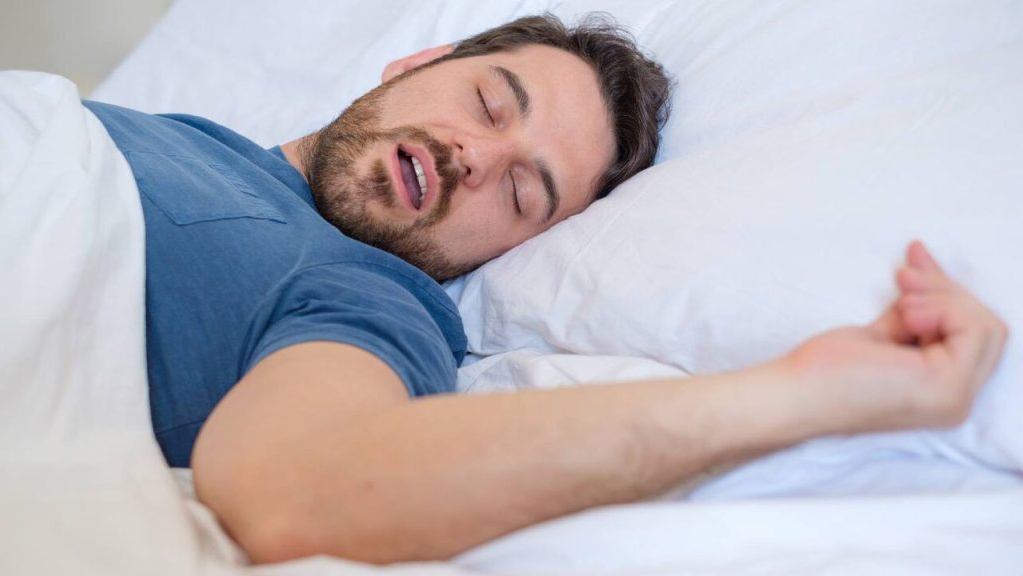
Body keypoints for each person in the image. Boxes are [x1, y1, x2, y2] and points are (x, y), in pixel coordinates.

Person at [82, 14, 1006, 566]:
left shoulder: (367, 297)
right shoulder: (166, 131)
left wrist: (804, 392)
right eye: (488, 104)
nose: (476, 157)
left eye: (523, 193)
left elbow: (294, 488)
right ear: (415, 63)